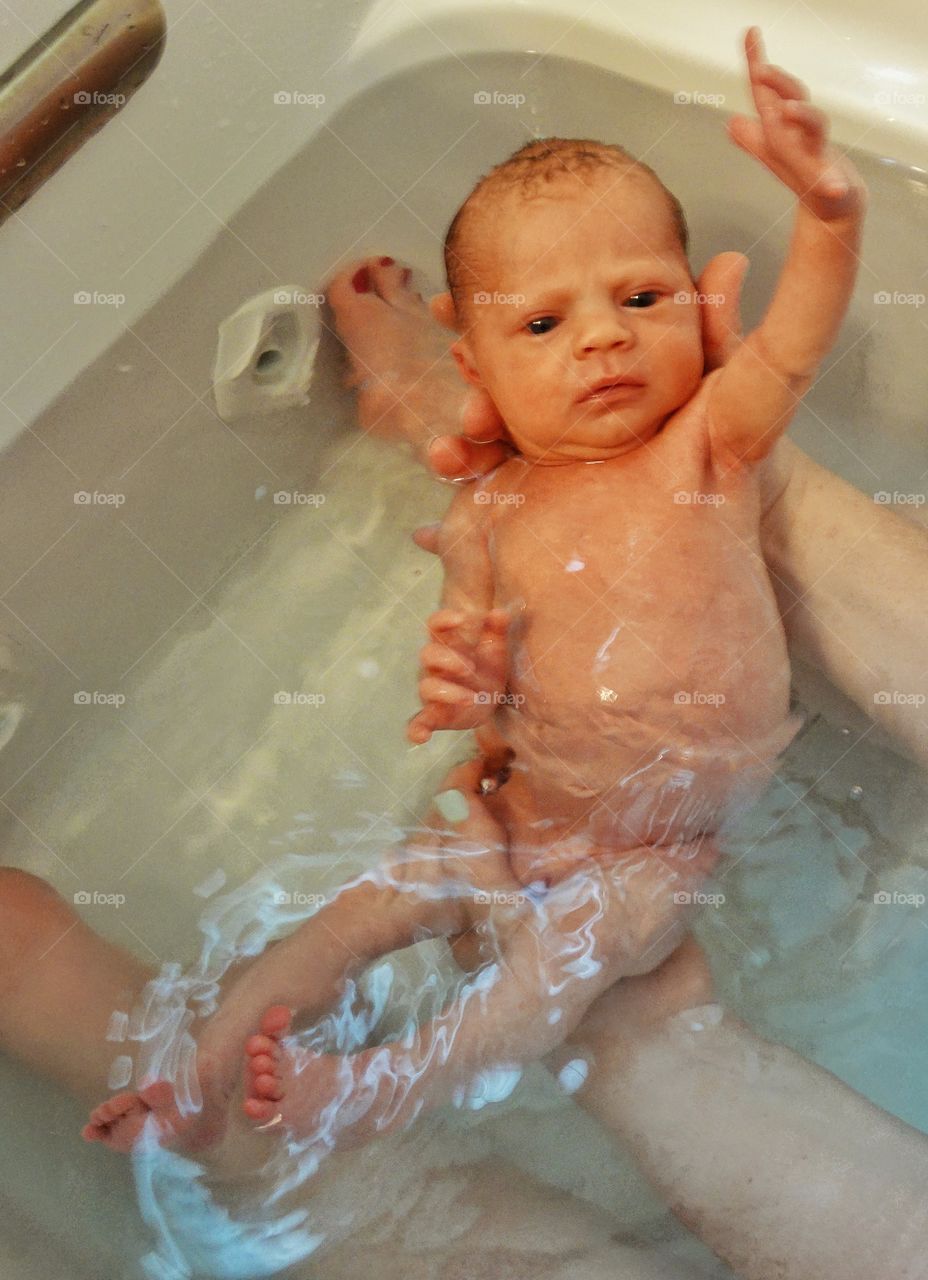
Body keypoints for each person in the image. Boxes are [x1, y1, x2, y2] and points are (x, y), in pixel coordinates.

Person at [237, 25, 869, 1134]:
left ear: (691, 304)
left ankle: (395, 1079)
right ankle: (207, 1057)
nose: (602, 341)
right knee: (358, 910)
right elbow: (471, 683)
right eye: (545, 322)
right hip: (515, 809)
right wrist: (462, 681)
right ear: (472, 368)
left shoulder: (709, 445)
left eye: (638, 299)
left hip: (658, 851)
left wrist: (825, 215)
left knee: (558, 969)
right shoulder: (485, 507)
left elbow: (791, 346)